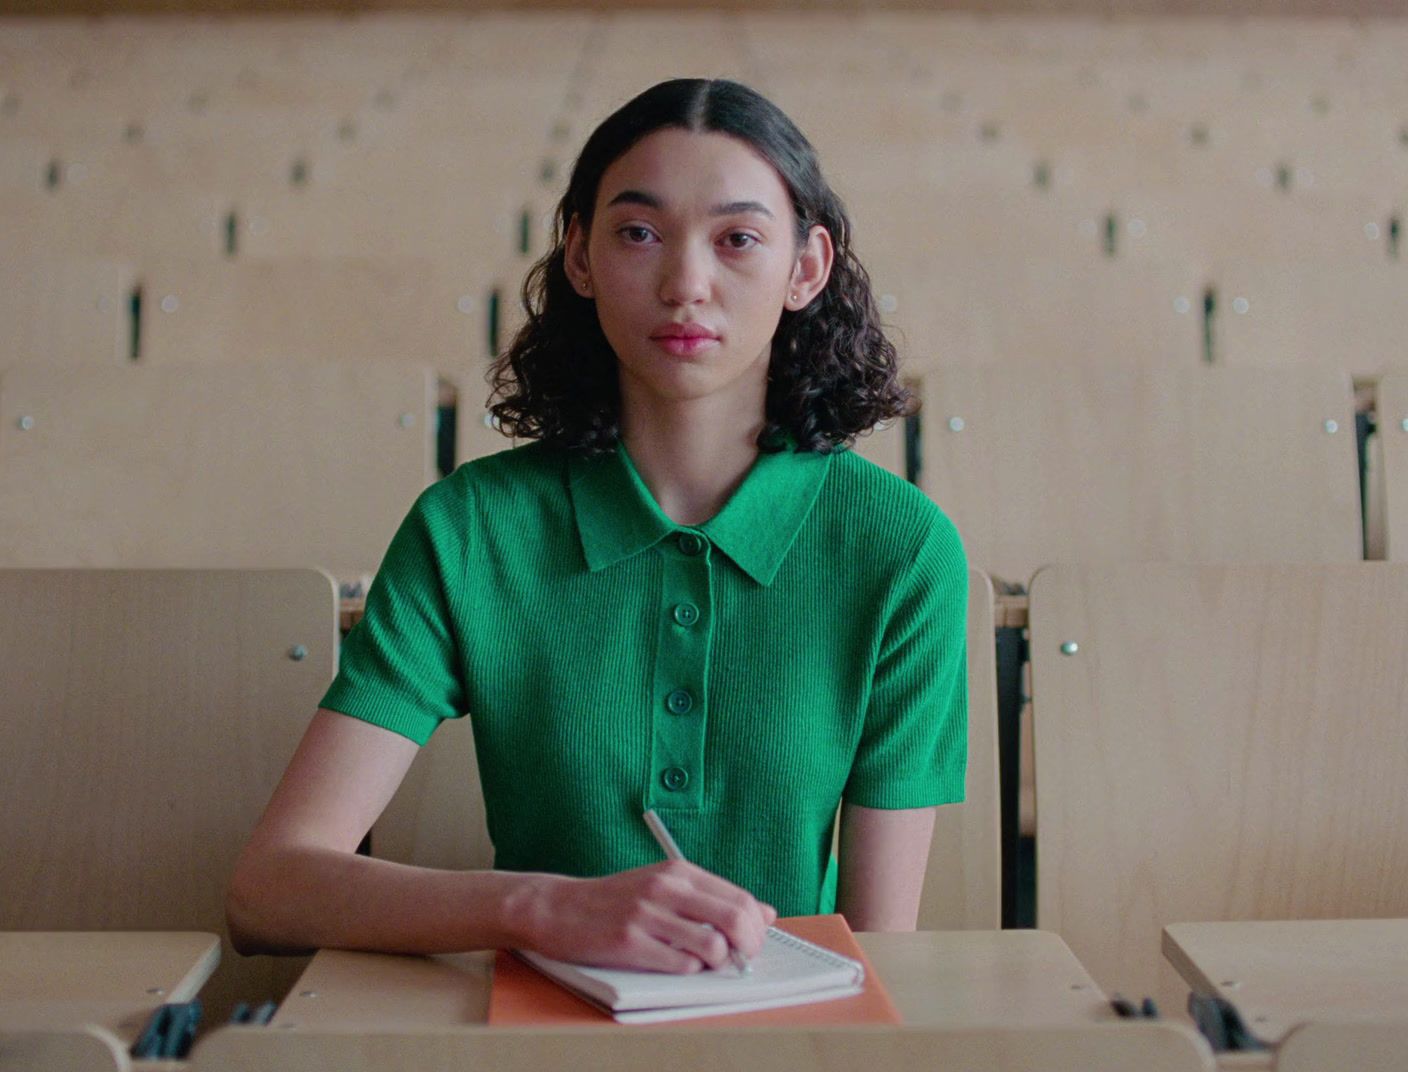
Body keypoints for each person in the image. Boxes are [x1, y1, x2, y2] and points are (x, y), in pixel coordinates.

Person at [227, 77, 967, 976]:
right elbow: (269, 891)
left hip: (787, 1038)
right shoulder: (471, 527)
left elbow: (875, 955)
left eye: (737, 239)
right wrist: (543, 908)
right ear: (579, 257)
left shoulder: (902, 549)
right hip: (528, 1032)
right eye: (638, 233)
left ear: (806, 268)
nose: (685, 284)